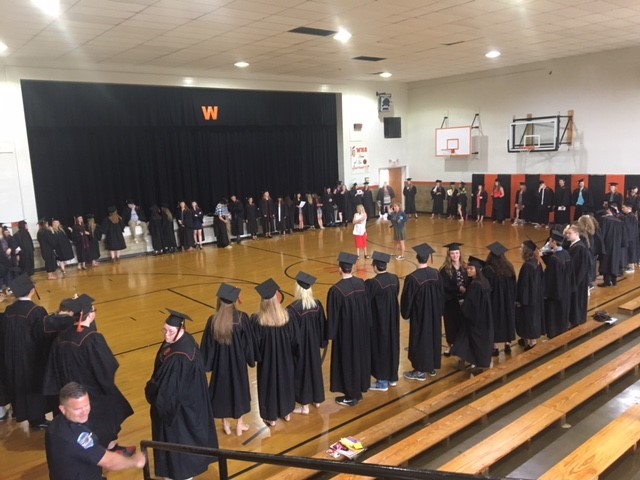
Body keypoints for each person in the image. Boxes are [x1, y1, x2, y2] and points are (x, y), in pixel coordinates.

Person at [43, 294, 135, 452]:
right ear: (90, 314)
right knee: (108, 415)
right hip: (93, 392)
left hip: (71, 390)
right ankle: (108, 450)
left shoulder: (62, 336)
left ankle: (106, 447)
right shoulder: (92, 338)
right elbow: (106, 367)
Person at [145, 309, 218, 480]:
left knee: (179, 447)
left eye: (170, 331)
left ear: (181, 329)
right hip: (188, 403)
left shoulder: (180, 357)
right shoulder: (186, 342)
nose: (166, 334)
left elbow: (167, 392)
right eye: (165, 330)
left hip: (179, 411)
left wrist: (152, 391)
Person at [45, 382, 146, 480]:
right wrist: (134, 461)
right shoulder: (76, 436)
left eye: (86, 405)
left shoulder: (55, 425)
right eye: (78, 409)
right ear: (62, 409)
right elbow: (109, 462)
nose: (84, 411)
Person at [200, 284, 255, 436]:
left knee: (222, 392)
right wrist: (250, 359)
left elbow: (208, 347)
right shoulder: (242, 318)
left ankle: (225, 424)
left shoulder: (213, 321)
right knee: (239, 391)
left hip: (220, 365)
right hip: (238, 365)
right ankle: (239, 424)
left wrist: (208, 364)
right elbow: (248, 345)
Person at [0, 273, 50, 428]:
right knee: (32, 389)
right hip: (29, 358)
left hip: (11, 356)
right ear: (32, 291)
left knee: (15, 383)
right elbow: (42, 337)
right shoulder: (36, 311)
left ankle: (17, 410)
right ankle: (37, 420)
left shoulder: (9, 310)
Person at [251, 278, 298, 425]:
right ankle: (287, 412)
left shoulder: (258, 320)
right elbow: (294, 340)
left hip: (267, 362)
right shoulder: (287, 316)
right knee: (286, 383)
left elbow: (255, 344)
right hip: (286, 359)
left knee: (269, 385)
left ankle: (271, 418)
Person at [327, 252, 372, 406]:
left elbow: (333, 317)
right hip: (362, 331)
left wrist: (330, 335)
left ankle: (351, 396)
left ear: (340, 269)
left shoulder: (336, 291)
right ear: (352, 268)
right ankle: (358, 390)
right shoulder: (362, 284)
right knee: (359, 359)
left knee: (348, 361)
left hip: (345, 334)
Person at [401, 243, 445, 380]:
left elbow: (407, 299)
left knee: (420, 340)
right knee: (433, 338)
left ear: (417, 257)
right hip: (434, 314)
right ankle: (431, 367)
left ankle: (419, 371)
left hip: (420, 316)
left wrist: (406, 313)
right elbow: (441, 294)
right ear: (428, 258)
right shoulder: (436, 274)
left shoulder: (413, 278)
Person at [287, 272, 327, 414]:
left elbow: (291, 335)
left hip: (301, 349)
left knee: (302, 374)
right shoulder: (317, 305)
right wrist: (321, 342)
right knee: (315, 370)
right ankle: (317, 400)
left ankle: (304, 406)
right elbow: (323, 326)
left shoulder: (292, 309)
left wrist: (292, 350)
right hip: (314, 346)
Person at [451, 256, 494, 373]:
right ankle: (469, 361)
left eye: (471, 269)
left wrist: (462, 304)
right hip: (484, 317)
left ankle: (476, 364)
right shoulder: (484, 282)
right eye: (468, 268)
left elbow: (471, 304)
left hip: (475, 319)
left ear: (478, 270)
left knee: (471, 341)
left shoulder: (475, 285)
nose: (468, 270)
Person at [366, 251, 400, 391]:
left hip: (379, 322)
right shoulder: (394, 278)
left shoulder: (373, 283)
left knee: (381, 348)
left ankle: (382, 382)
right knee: (393, 346)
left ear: (374, 266)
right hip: (393, 320)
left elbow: (367, 301)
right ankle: (392, 377)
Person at [483, 242, 516, 356]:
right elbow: (513, 285)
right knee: (507, 320)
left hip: (495, 301)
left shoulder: (488, 269)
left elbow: (487, 287)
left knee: (495, 322)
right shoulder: (509, 267)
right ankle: (508, 344)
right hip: (508, 300)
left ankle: (495, 347)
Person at [541, 230, 574, 338]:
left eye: (550, 241)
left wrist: (546, 293)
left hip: (555, 293)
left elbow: (550, 278)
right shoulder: (566, 254)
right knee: (562, 314)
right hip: (565, 290)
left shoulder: (555, 259)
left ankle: (554, 335)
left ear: (554, 242)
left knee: (553, 316)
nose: (549, 243)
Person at [515, 240, 544, 350]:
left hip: (528, 299)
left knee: (529, 320)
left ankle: (532, 343)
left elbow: (524, 286)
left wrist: (520, 300)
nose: (520, 249)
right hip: (536, 297)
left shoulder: (527, 266)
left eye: (521, 247)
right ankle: (530, 340)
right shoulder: (537, 262)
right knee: (533, 319)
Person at [439, 243, 467, 356]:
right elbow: (444, 286)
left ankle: (461, 346)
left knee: (462, 324)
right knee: (450, 324)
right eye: (452, 253)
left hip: (464, 301)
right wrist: (458, 288)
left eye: (456, 253)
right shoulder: (444, 270)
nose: (455, 255)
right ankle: (450, 346)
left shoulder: (465, 267)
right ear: (449, 255)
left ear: (460, 254)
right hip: (450, 301)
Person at [565, 224, 591, 328]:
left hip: (578, 280)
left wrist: (576, 282)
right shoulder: (573, 245)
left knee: (577, 300)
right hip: (574, 278)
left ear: (576, 234)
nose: (567, 235)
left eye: (569, 233)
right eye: (567, 233)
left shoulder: (580, 247)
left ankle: (576, 320)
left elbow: (582, 267)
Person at [597, 207, 626, 287]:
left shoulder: (604, 220)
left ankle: (606, 281)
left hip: (606, 245)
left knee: (606, 262)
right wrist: (622, 244)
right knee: (614, 261)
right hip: (617, 245)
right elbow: (623, 235)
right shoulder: (619, 221)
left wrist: (599, 245)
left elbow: (601, 234)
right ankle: (614, 280)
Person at [620, 201, 639, 272]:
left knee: (631, 252)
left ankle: (631, 268)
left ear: (628, 208)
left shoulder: (630, 217)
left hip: (630, 238)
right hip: (631, 238)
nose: (622, 209)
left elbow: (628, 228)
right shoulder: (630, 216)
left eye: (623, 207)